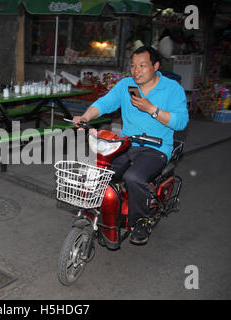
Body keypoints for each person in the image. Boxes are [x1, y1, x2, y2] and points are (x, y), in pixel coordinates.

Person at [73, 46, 189, 245]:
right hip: (126, 144)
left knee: (133, 176)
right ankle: (103, 212)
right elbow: (105, 103)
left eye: (142, 66)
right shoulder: (126, 85)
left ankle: (140, 221)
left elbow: (181, 122)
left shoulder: (172, 89)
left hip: (157, 148)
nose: (136, 71)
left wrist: (152, 109)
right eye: (133, 66)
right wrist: (85, 116)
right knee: (101, 172)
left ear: (156, 66)